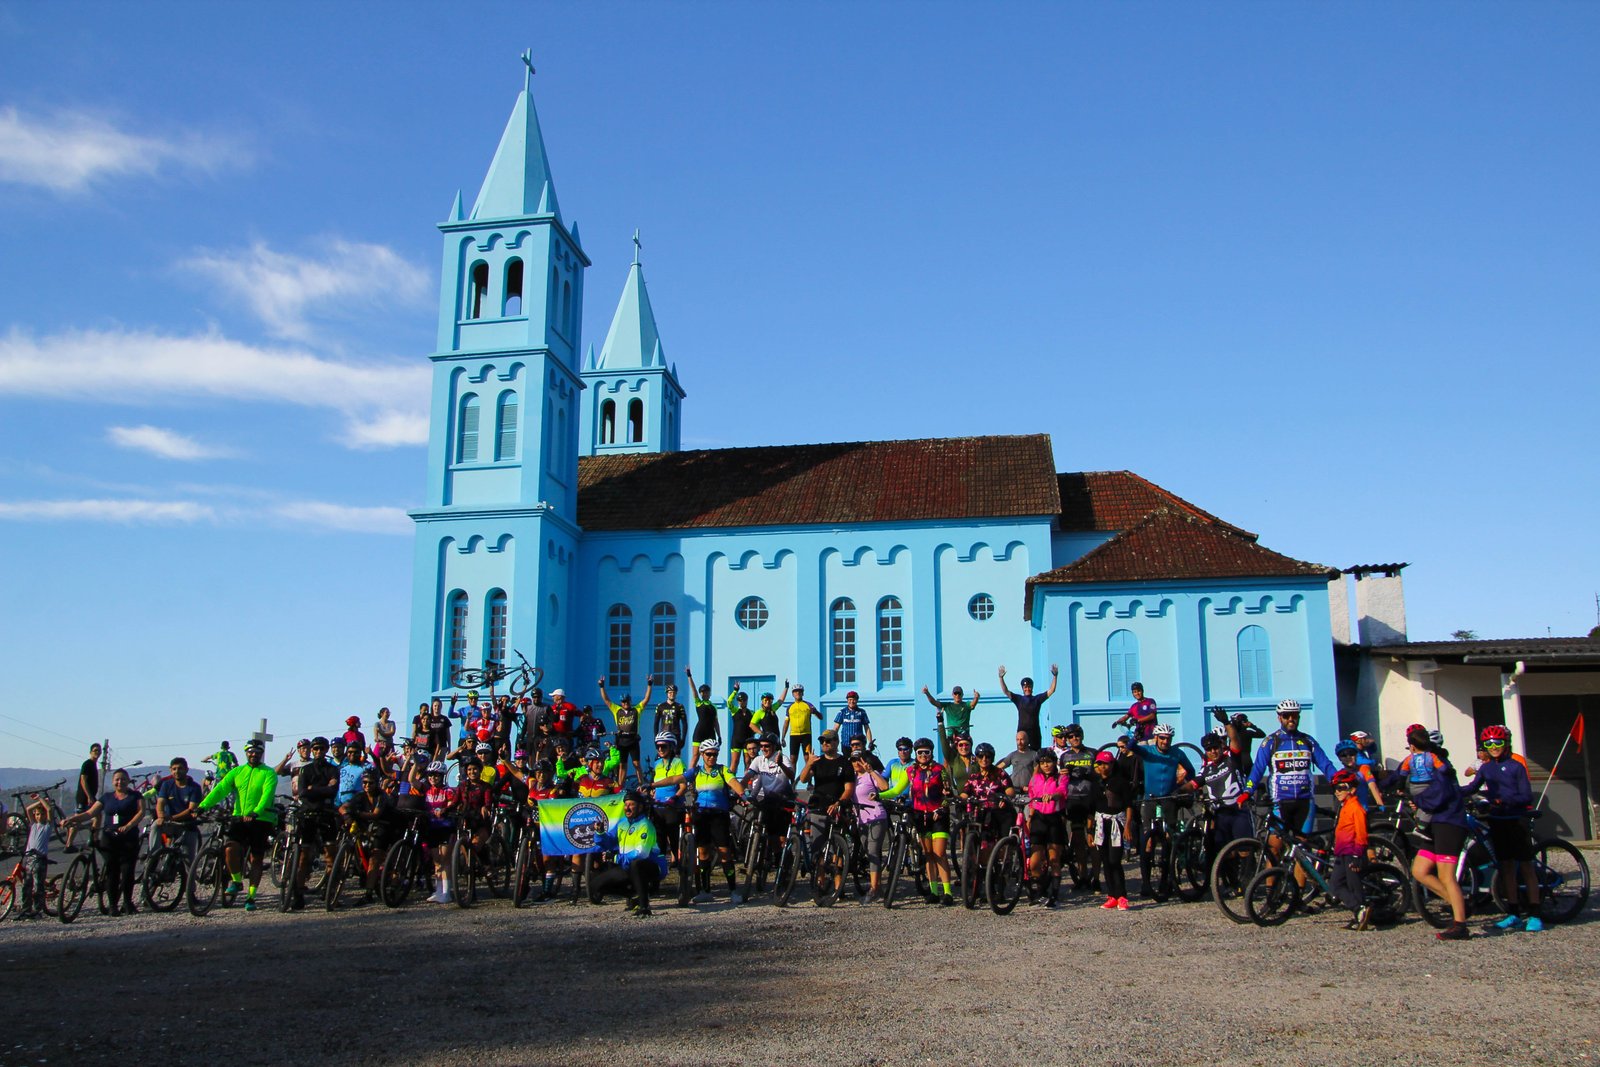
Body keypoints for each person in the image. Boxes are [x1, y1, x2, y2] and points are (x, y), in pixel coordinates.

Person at [1384, 724, 1470, 940]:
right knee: (1419, 871)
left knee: (1446, 876)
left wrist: (1418, 799)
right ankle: (1459, 904)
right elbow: (1397, 777)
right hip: (1433, 824)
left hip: (1449, 822)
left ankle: (1460, 925)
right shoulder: (1417, 762)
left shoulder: (1441, 767)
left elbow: (1440, 795)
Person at [1242, 700, 1340, 882]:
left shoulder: (1308, 741)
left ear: (1298, 717)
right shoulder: (1271, 742)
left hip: (1305, 803)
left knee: (1302, 852)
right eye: (1286, 716)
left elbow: (1326, 765)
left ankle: (1299, 898)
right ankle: (1271, 894)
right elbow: (1257, 770)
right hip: (1280, 803)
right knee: (1274, 849)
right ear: (1279, 717)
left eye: (1294, 715)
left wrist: (1340, 781)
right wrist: (1247, 791)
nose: (1290, 719)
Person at [1462, 724, 1541, 932]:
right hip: (1498, 819)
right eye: (1489, 743)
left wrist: (1501, 799)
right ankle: (1513, 913)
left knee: (1526, 866)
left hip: (1517, 819)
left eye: (1498, 742)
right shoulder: (1486, 768)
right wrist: (1448, 790)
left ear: (1505, 744)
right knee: (1506, 867)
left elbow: (1526, 796)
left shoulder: (1516, 767)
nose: (1493, 746)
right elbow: (1472, 787)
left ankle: (1535, 913)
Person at [656, 739, 745, 903]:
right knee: (703, 853)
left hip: (719, 815)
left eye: (715, 754)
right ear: (702, 755)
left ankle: (733, 891)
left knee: (725, 853)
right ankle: (705, 891)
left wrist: (743, 795)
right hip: (701, 815)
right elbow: (675, 779)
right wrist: (652, 785)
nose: (712, 757)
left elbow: (734, 783)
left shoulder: (722, 770)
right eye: (709, 754)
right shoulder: (696, 772)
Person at [198, 739, 279, 911]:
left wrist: (256, 811)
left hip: (261, 819)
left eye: (257, 751)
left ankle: (251, 896)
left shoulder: (268, 773)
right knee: (230, 848)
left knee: (256, 858)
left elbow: (268, 794)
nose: (253, 754)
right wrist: (203, 805)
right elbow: (220, 790)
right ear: (246, 753)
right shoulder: (237, 771)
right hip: (239, 818)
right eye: (250, 751)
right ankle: (236, 880)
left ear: (261, 753)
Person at [63, 767, 144, 915]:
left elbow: (141, 812)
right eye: (117, 779)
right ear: (113, 782)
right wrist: (72, 819)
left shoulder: (136, 796)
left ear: (128, 781)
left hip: (128, 837)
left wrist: (129, 825)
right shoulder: (106, 797)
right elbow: (90, 813)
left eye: (123, 779)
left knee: (127, 871)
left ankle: (127, 903)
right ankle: (112, 905)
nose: (120, 782)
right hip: (109, 837)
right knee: (112, 871)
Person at [1136, 723, 1196, 899]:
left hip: (1169, 798)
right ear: (1156, 738)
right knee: (1148, 842)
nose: (1165, 741)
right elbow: (1132, 748)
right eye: (1162, 738)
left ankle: (1166, 880)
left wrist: (1183, 786)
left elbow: (1191, 772)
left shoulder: (1177, 753)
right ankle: (1146, 883)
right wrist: (1135, 737)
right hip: (1150, 799)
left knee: (1169, 839)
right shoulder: (1149, 751)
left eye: (1168, 738)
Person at [588, 790, 668, 917]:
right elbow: (609, 843)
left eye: (631, 805)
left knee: (637, 864)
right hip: (628, 867)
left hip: (651, 866)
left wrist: (616, 858)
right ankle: (635, 893)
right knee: (594, 886)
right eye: (626, 805)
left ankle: (644, 906)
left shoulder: (645, 825)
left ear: (640, 807)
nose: (627, 808)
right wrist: (600, 832)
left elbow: (642, 854)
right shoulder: (622, 823)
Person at [800, 729, 857, 900]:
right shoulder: (817, 762)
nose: (825, 743)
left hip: (837, 808)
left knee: (837, 851)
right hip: (818, 808)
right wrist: (809, 763)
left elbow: (849, 788)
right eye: (823, 741)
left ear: (836, 742)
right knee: (818, 849)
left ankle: (839, 888)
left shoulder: (844, 762)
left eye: (828, 741)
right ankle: (820, 884)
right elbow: (803, 779)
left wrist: (839, 803)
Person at [907, 737, 954, 906]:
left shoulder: (940, 770)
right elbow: (898, 789)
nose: (923, 755)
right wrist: (880, 795)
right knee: (928, 855)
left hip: (938, 816)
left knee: (939, 853)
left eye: (926, 752)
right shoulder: (911, 771)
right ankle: (934, 891)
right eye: (920, 753)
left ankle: (947, 892)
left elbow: (949, 794)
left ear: (932, 753)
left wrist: (943, 807)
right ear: (915, 754)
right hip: (921, 816)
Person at [1327, 769, 1373, 930]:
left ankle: (1360, 911)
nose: (1337, 792)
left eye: (1341, 788)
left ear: (1352, 789)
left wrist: (1357, 855)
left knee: (1355, 885)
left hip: (1352, 852)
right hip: (1342, 852)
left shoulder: (1356, 808)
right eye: (1335, 788)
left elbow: (1361, 834)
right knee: (1335, 885)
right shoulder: (1345, 806)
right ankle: (1358, 910)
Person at [1196, 732, 1253, 858]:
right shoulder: (1206, 769)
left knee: (1244, 851)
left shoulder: (1232, 759)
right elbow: (1194, 783)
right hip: (1220, 814)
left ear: (1221, 746)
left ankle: (1250, 874)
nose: (1213, 752)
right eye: (1209, 750)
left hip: (1238, 811)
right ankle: (1229, 877)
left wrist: (1227, 723)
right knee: (1226, 854)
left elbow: (1235, 740)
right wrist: (1180, 791)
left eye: (1215, 748)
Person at [1090, 751, 1135, 910]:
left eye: (1107, 764)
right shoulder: (1096, 783)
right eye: (1101, 764)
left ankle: (1122, 896)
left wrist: (1128, 826)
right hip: (1101, 824)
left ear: (1112, 764)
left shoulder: (1120, 782)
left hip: (1117, 822)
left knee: (1115, 860)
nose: (1104, 767)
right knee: (1106, 862)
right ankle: (1112, 895)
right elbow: (1092, 807)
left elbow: (1129, 805)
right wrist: (1090, 831)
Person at [1024, 747, 1069, 906]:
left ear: (1054, 762)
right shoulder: (1035, 778)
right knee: (1035, 862)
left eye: (1048, 762)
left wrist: (1052, 796)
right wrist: (1030, 815)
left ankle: (1054, 895)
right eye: (1042, 763)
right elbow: (1031, 796)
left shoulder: (1060, 777)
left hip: (1054, 818)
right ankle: (1041, 890)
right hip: (1038, 819)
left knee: (1054, 859)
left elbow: (1062, 792)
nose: (1046, 765)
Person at [1057, 724, 1097, 891]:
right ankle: (1082, 877)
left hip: (1090, 798)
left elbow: (1100, 774)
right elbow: (1060, 777)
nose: (1074, 738)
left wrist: (1086, 773)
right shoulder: (1064, 757)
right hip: (1073, 799)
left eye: (1077, 735)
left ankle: (1096, 877)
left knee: (1093, 840)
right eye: (1071, 736)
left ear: (1082, 735)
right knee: (1079, 841)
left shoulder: (1092, 753)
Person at [598, 675, 652, 785]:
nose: (625, 703)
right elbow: (607, 700)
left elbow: (646, 699)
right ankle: (620, 787)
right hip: (621, 741)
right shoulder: (617, 710)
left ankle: (641, 785)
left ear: (630, 701)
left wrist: (649, 685)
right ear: (621, 702)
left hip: (633, 740)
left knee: (636, 764)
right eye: (623, 702)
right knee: (622, 765)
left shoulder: (636, 710)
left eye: (627, 701)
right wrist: (602, 686)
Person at [154, 757, 204, 861]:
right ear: (170, 770)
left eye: (180, 768)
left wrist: (172, 818)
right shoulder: (166, 784)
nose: (177, 771)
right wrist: (161, 816)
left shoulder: (194, 787)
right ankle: (153, 856)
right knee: (155, 825)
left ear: (186, 769)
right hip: (170, 823)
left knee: (188, 863)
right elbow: (160, 803)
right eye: (174, 769)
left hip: (187, 825)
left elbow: (191, 809)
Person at [649, 734, 688, 863]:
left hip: (672, 806)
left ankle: (677, 861)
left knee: (674, 837)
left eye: (663, 746)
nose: (660, 749)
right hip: (658, 806)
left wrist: (675, 797)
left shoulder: (678, 762)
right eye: (657, 746)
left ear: (671, 747)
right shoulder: (656, 764)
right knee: (659, 840)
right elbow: (655, 784)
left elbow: (683, 786)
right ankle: (660, 868)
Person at [997, 664, 1058, 749]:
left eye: (1029, 687)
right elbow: (1006, 691)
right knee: (1022, 753)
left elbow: (1052, 690)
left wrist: (1055, 676)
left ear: (1032, 688)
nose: (1027, 689)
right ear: (1022, 688)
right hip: (1022, 732)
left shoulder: (1037, 699)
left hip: (1034, 732)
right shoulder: (1019, 699)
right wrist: (1001, 678)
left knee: (1035, 755)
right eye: (1025, 687)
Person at [65, 742, 102, 854]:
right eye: (95, 750)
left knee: (98, 815)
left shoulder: (94, 765)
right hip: (84, 798)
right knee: (77, 821)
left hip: (89, 797)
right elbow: (83, 780)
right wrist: (89, 796)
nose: (97, 752)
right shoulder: (87, 764)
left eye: (99, 750)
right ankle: (69, 844)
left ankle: (93, 838)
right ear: (90, 752)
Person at [922, 684, 980, 753]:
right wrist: (927, 693)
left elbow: (972, 705)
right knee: (949, 753)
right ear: (952, 695)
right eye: (955, 693)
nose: (957, 695)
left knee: (966, 751)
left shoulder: (966, 705)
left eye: (959, 694)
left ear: (962, 695)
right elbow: (934, 702)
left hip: (964, 735)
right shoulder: (948, 705)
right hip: (951, 735)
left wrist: (976, 697)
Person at [1335, 741, 1385, 811]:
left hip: (1362, 810)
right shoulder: (1340, 774)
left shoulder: (1364, 768)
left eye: (1351, 753)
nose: (1348, 757)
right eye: (1344, 755)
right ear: (1339, 758)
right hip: (1346, 811)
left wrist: (1380, 803)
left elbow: (1373, 786)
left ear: (1356, 755)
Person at [781, 684, 824, 763]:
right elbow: (786, 723)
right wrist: (783, 737)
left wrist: (815, 712)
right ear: (793, 694)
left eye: (800, 691)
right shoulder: (790, 707)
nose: (798, 693)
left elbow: (821, 717)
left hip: (806, 735)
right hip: (794, 735)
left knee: (807, 758)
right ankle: (792, 775)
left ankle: (808, 775)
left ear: (803, 693)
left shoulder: (808, 705)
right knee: (793, 759)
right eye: (795, 692)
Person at [726, 685, 755, 773]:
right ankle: (731, 784)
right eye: (740, 700)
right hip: (736, 740)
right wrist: (735, 691)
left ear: (746, 701)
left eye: (744, 700)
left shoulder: (752, 712)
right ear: (738, 701)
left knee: (748, 761)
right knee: (735, 761)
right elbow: (729, 702)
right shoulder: (734, 710)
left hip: (748, 740)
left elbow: (756, 724)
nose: (742, 702)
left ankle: (747, 783)